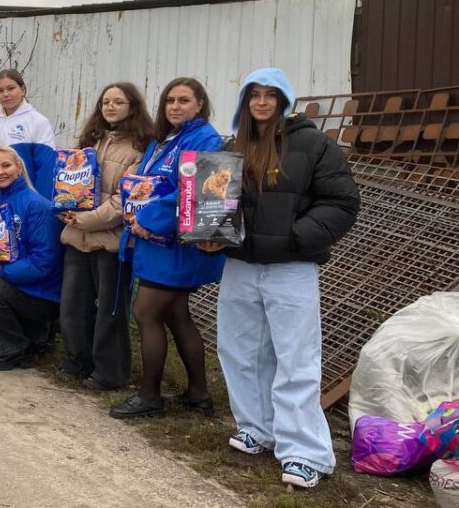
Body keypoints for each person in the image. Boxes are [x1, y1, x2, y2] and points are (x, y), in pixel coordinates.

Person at [203, 68, 359, 489]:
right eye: (253, 94)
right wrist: (209, 236)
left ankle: (306, 452)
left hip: (291, 267)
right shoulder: (231, 147)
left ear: (284, 100)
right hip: (241, 265)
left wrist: (295, 237)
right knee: (239, 351)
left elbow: (342, 202)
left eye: (270, 95)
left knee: (295, 359)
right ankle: (258, 427)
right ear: (244, 102)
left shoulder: (314, 145)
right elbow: (213, 205)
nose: (261, 102)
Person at [110, 77, 225, 419]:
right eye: (170, 100)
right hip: (155, 243)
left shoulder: (205, 139)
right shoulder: (165, 139)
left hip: (174, 244)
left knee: (146, 313)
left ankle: (149, 395)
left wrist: (148, 219)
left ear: (200, 104)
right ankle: (198, 394)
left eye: (183, 100)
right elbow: (148, 185)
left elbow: (193, 190)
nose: (175, 106)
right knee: (176, 315)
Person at [58, 82, 153, 390]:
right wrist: (63, 206)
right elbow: (70, 184)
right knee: (73, 304)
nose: (110, 107)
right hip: (77, 236)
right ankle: (78, 360)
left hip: (113, 241)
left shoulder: (141, 148)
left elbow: (126, 198)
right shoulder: (90, 141)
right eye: (105, 102)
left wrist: (85, 219)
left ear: (132, 106)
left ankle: (111, 372)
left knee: (110, 311)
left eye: (118, 102)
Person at [0, 146, 62, 370]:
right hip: (15, 290)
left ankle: (11, 348)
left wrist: (4, 271)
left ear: (19, 167)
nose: (0, 172)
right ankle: (36, 337)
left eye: (6, 165)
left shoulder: (37, 205)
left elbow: (44, 262)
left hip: (41, 295)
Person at [0, 69, 55, 216]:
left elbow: (46, 169)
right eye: (0, 90)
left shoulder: (38, 122)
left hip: (25, 209)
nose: (6, 94)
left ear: (23, 90)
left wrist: (43, 208)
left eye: (11, 88)